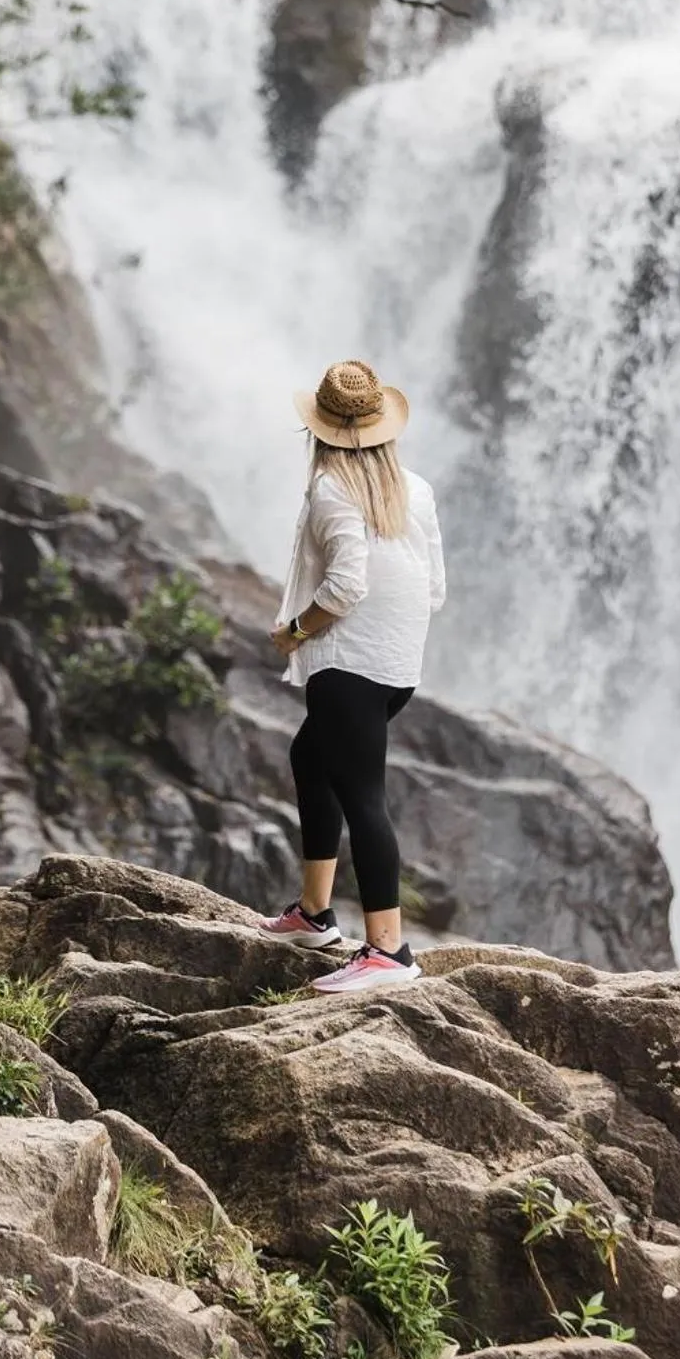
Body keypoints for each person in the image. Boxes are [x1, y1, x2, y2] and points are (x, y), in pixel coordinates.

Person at [262, 359, 445, 993]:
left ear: (319, 432)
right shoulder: (415, 490)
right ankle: (314, 914)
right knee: (310, 756)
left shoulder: (331, 489)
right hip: (397, 668)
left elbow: (345, 586)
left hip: (348, 667)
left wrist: (294, 631)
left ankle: (388, 951)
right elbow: (435, 588)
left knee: (364, 798)